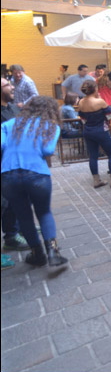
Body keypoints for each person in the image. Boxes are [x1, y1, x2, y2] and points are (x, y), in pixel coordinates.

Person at [1, 96, 68, 267]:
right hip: (37, 174)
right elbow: (48, 149)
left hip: (9, 175)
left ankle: (36, 253)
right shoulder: (51, 126)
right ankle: (53, 252)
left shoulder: (8, 125)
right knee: (44, 212)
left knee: (23, 215)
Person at [1, 78, 30, 262]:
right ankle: (11, 235)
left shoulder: (12, 108)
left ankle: (15, 231)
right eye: (7, 85)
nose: (12, 87)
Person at [77, 80, 111, 188]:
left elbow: (82, 118)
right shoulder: (100, 102)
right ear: (95, 89)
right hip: (101, 130)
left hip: (88, 131)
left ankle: (96, 180)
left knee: (93, 156)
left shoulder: (81, 102)